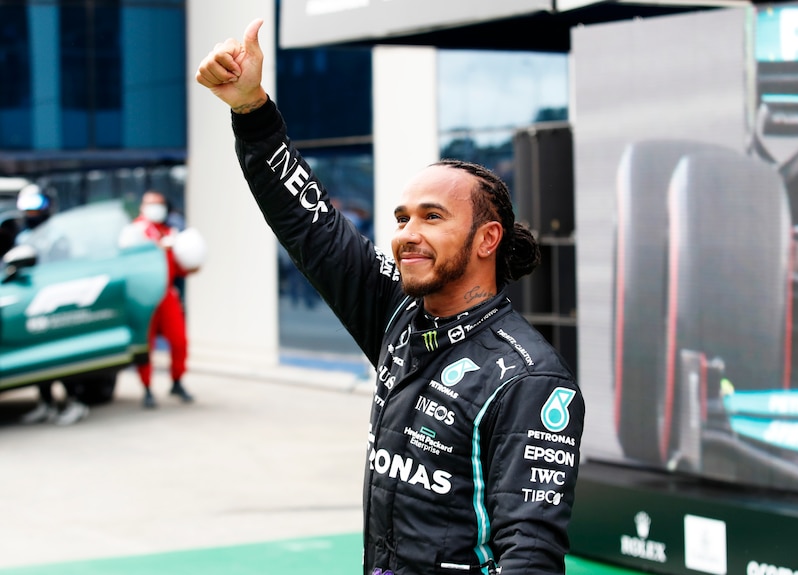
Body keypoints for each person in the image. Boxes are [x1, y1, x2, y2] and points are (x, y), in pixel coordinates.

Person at [197, 19, 584, 575]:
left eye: (432, 217)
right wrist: (252, 109)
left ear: (486, 239)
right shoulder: (398, 315)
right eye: (402, 218)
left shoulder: (528, 379)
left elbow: (532, 553)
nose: (406, 234)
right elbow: (312, 227)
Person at [15, 185, 90, 426]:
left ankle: (75, 402)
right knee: (39, 358)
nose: (31, 212)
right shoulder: (23, 237)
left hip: (55, 302)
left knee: (61, 355)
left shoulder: (58, 236)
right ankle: (46, 403)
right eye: (27, 207)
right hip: (31, 304)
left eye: (36, 206)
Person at [132, 190, 195, 408]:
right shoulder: (135, 232)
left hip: (167, 294)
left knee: (179, 341)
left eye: (159, 204)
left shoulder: (169, 232)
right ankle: (146, 387)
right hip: (143, 298)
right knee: (144, 344)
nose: (155, 208)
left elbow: (179, 268)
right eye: (151, 204)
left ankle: (177, 380)